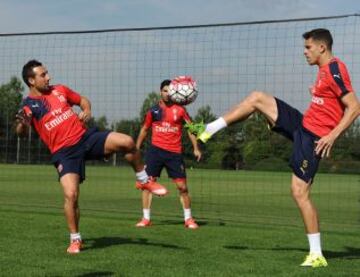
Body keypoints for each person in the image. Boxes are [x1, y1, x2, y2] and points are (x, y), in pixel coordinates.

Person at [186, 29, 359, 267]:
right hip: (302, 125)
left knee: (299, 193)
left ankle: (317, 255)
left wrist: (332, 136)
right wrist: (318, 95)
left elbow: (354, 106)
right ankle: (209, 129)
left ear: (322, 47)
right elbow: (330, 101)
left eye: (308, 47)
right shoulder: (322, 71)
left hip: (314, 139)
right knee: (257, 97)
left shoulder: (335, 69)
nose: (304, 52)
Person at [15, 60, 168, 254]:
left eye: (47, 73)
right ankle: (75, 239)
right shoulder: (28, 105)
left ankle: (144, 180)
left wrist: (86, 110)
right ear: (31, 80)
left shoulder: (59, 90)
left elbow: (83, 100)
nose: (48, 77)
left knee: (128, 142)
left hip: (86, 138)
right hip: (65, 153)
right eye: (43, 75)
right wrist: (22, 124)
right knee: (71, 195)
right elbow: (20, 132)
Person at [135, 79, 202, 229]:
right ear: (160, 92)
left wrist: (196, 148)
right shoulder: (153, 111)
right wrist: (136, 148)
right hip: (155, 152)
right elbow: (144, 130)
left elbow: (191, 129)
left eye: (170, 91)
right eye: (165, 90)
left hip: (174, 153)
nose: (167, 93)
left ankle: (188, 219)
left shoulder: (181, 110)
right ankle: (146, 219)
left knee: (182, 187)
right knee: (147, 185)